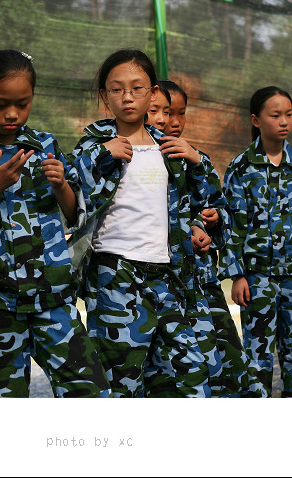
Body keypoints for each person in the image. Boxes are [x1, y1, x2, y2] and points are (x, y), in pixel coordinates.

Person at [0, 49, 109, 398]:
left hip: (52, 296)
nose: (12, 113)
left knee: (90, 390)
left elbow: (74, 215)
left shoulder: (45, 145)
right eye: (1, 103)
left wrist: (61, 185)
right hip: (0, 304)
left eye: (22, 103)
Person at [69, 49, 215, 397]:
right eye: (117, 89)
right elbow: (71, 193)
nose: (127, 97)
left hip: (168, 276)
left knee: (190, 377)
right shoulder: (93, 145)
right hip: (115, 276)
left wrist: (199, 161)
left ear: (153, 94)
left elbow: (202, 198)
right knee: (123, 383)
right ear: (104, 96)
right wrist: (104, 153)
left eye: (137, 88)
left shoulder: (169, 147)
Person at [223, 86, 292, 397]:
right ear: (256, 120)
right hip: (257, 280)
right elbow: (231, 226)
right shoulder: (242, 168)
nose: (284, 121)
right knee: (257, 359)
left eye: (288, 114)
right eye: (275, 115)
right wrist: (238, 275)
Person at [157, 79, 248, 397]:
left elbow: (219, 212)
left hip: (204, 284)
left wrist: (211, 222)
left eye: (181, 113)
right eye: (167, 112)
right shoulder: (140, 160)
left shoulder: (196, 158)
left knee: (229, 366)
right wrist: (187, 230)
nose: (174, 122)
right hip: (163, 289)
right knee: (175, 376)